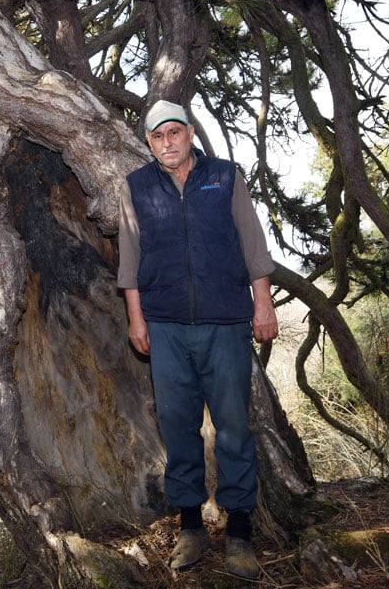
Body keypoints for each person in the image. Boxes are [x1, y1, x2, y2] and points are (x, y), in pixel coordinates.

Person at [117, 99, 279, 579]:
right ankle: (190, 527)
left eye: (175, 133)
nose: (168, 143)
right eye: (158, 136)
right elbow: (129, 259)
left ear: (190, 133)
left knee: (233, 425)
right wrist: (137, 319)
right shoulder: (136, 186)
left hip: (226, 321)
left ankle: (240, 533)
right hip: (164, 325)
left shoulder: (225, 176)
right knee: (177, 424)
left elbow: (253, 243)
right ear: (149, 142)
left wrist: (263, 303)